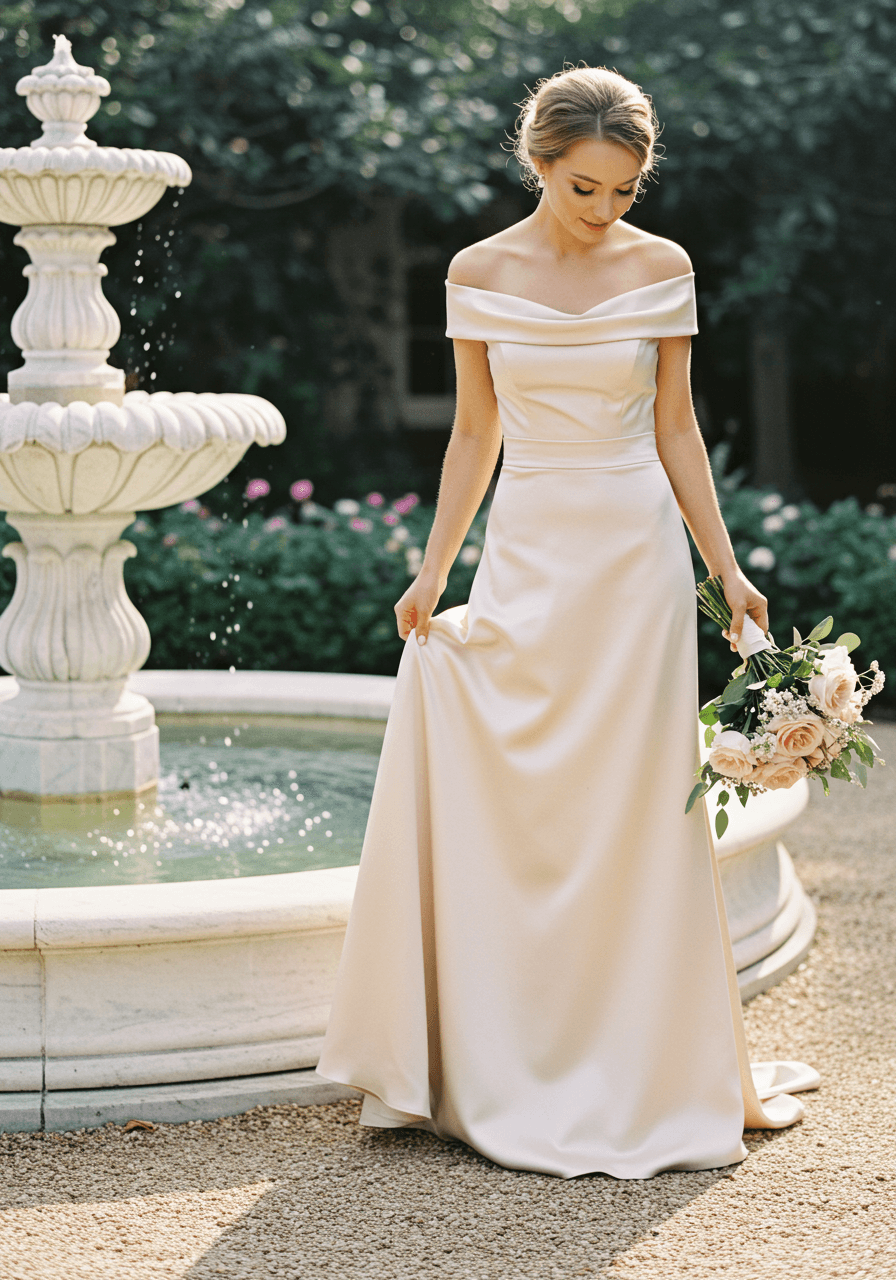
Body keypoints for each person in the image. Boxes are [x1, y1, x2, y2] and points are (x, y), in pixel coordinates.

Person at [317, 65, 817, 1179]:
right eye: (586, 186)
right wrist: (431, 569)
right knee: (524, 784)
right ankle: (508, 1049)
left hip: (633, 559)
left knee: (635, 801)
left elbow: (677, 430)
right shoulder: (476, 270)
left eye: (624, 191)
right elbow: (472, 436)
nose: (605, 210)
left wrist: (725, 571)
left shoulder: (662, 266)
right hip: (530, 546)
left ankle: (648, 1061)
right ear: (538, 162)